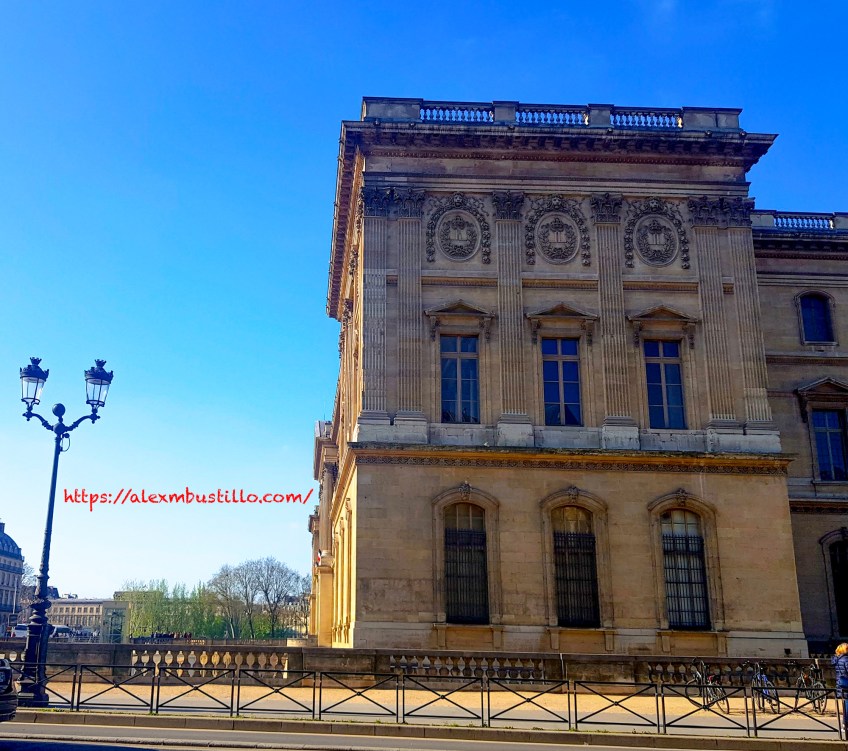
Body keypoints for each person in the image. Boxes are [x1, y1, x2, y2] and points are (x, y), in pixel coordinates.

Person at [833, 642, 848, 732]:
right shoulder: (846, 659)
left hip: (841, 684)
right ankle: (845, 724)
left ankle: (844, 724)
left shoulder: (837, 659)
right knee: (847, 704)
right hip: (846, 684)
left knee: (846, 704)